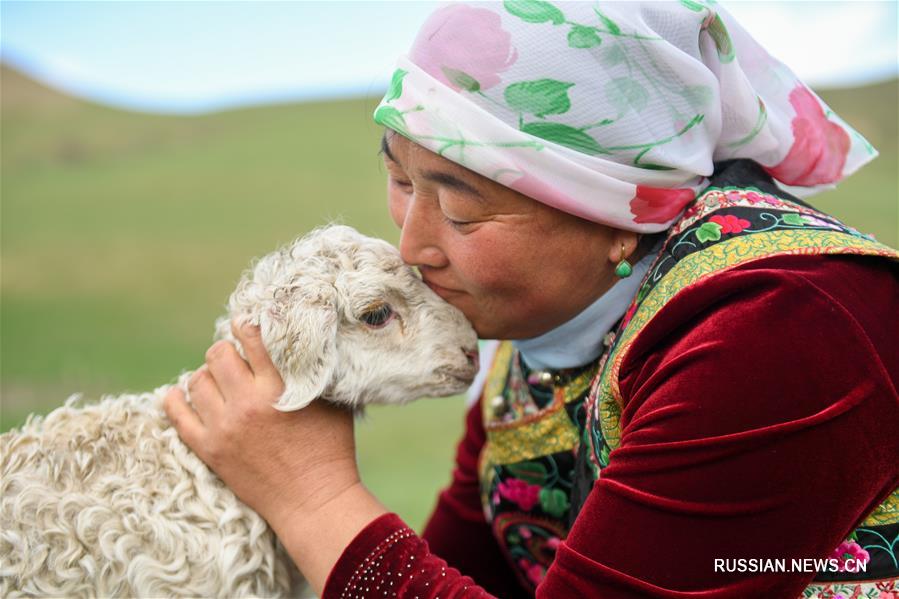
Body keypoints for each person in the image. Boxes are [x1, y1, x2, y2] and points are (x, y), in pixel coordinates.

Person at [163, 2, 899, 597]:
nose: (413, 246)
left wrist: (314, 501)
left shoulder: (780, 329)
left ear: (618, 212)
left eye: (460, 208)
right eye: (400, 180)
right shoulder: (541, 339)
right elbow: (463, 568)